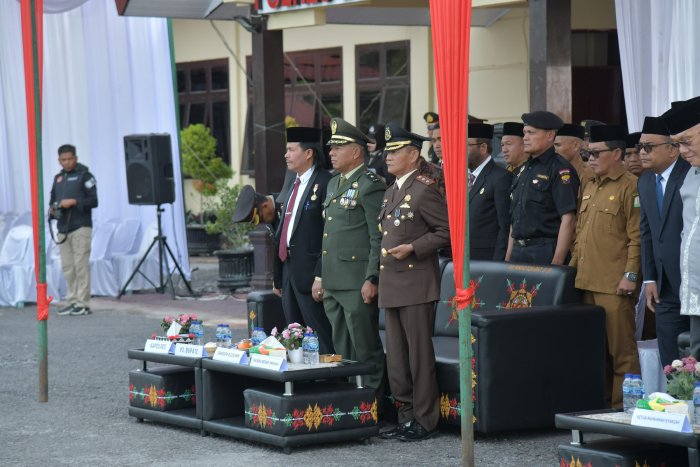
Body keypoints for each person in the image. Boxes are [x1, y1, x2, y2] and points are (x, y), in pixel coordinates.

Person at [377, 123, 450, 442]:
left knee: (419, 358)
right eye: (387, 152)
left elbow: (446, 231)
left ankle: (425, 420)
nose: (387, 157)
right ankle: (406, 416)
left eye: (394, 152)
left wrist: (414, 247)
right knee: (397, 358)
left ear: (412, 154)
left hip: (417, 283)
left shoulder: (424, 188)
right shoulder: (393, 188)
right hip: (392, 282)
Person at [569, 124, 641, 408]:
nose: (591, 159)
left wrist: (631, 275)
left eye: (597, 153)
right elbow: (580, 232)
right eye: (587, 154)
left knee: (621, 351)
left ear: (617, 153)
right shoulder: (589, 183)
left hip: (614, 284)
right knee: (592, 351)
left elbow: (637, 237)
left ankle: (625, 408)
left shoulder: (631, 186)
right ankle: (598, 405)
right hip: (585, 280)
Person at [314, 117, 387, 398]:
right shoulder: (333, 184)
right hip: (334, 279)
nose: (330, 152)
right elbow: (328, 236)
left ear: (355, 152)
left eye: (337, 148)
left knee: (365, 346)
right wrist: (320, 276)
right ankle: (351, 402)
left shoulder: (370, 185)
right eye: (331, 148)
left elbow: (376, 237)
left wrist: (372, 277)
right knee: (342, 349)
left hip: (357, 281)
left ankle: (374, 404)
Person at [273, 127, 335, 354]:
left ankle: (328, 385)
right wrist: (278, 274)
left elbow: (329, 234)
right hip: (289, 270)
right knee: (294, 336)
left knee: (320, 336)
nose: (286, 155)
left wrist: (321, 275)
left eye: (291, 150)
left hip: (311, 275)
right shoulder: (293, 183)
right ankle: (303, 384)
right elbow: (283, 229)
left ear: (308, 153)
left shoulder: (326, 182)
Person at [637, 116, 690, 366]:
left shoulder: (690, 174)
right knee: (669, 355)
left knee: (693, 353)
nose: (642, 153)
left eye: (649, 147)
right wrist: (649, 277)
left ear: (672, 149)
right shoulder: (645, 180)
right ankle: (675, 402)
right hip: (663, 284)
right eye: (640, 147)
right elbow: (646, 232)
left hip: (691, 280)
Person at [506, 111, 579, 265]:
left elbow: (568, 219)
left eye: (531, 133)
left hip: (544, 251)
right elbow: (515, 220)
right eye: (524, 133)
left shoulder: (559, 169)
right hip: (519, 251)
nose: (525, 137)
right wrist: (508, 258)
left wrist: (556, 263)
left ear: (550, 136)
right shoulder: (523, 170)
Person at [663, 99, 700, 360]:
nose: (682, 151)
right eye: (677, 144)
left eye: (687, 141)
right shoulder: (690, 174)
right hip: (694, 291)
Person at [50, 144, 98, 316]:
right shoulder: (58, 179)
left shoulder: (85, 175)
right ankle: (71, 300)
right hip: (63, 228)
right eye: (64, 160)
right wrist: (53, 210)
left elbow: (94, 201)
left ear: (75, 158)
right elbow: (53, 201)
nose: (67, 162)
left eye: (70, 159)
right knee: (68, 267)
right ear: (59, 161)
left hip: (81, 227)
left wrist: (75, 202)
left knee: (81, 265)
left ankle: (83, 303)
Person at [467, 123, 512, 260]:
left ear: (483, 148)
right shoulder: (461, 177)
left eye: (466, 146)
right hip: (463, 258)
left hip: (487, 259)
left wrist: (498, 263)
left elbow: (504, 226)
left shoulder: (500, 177)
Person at [554, 123, 595, 192]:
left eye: (558, 145)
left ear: (575, 146)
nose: (554, 150)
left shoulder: (587, 176)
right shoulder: (553, 170)